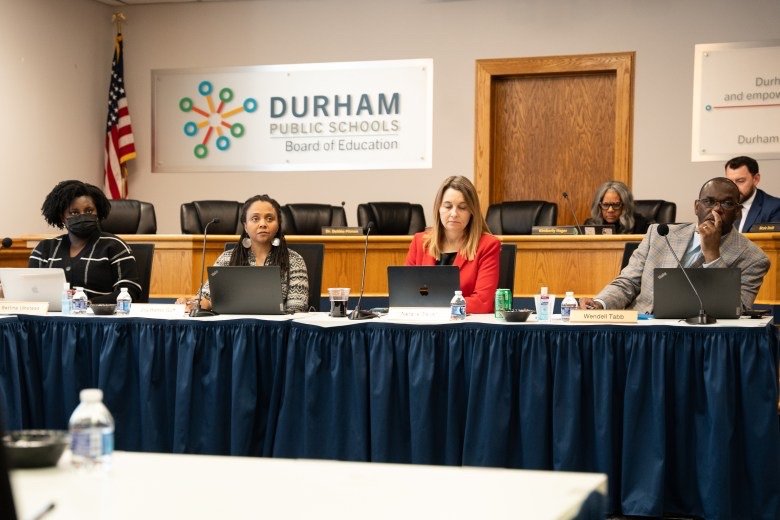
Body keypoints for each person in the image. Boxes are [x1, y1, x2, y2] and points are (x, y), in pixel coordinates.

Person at [579, 177, 769, 313]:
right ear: (696, 207)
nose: (716, 209)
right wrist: (600, 303)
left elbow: (738, 310)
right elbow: (628, 282)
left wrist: (713, 256)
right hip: (642, 327)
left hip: (696, 337)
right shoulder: (659, 234)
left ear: (738, 212)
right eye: (709, 202)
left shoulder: (754, 258)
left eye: (727, 204)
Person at [179, 194, 309, 313]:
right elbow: (206, 296)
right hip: (234, 328)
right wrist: (195, 302)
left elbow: (297, 309)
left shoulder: (294, 260)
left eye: (270, 219)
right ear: (245, 226)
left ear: (278, 225)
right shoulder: (227, 259)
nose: (263, 224)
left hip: (278, 328)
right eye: (255, 219)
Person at [28, 180, 141, 303]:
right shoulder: (44, 249)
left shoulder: (114, 246)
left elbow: (129, 291)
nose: (82, 216)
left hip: (99, 315)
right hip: (52, 315)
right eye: (74, 212)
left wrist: (85, 304)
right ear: (62, 218)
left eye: (89, 211)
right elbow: (30, 291)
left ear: (98, 212)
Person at [405, 175, 500, 314]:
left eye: (462, 207)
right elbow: (406, 294)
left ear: (472, 212)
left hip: (465, 324)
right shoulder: (420, 242)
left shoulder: (488, 245)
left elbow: (482, 302)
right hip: (424, 324)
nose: (454, 213)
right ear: (438, 208)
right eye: (448, 206)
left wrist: (436, 307)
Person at [724, 156, 780, 232]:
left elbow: (772, 239)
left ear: (756, 179)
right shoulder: (720, 206)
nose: (733, 187)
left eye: (740, 181)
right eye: (729, 182)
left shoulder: (775, 208)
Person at [584, 180, 651, 234]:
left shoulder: (641, 225)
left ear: (625, 206)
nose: (610, 210)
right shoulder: (591, 225)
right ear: (599, 206)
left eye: (616, 205)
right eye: (605, 205)